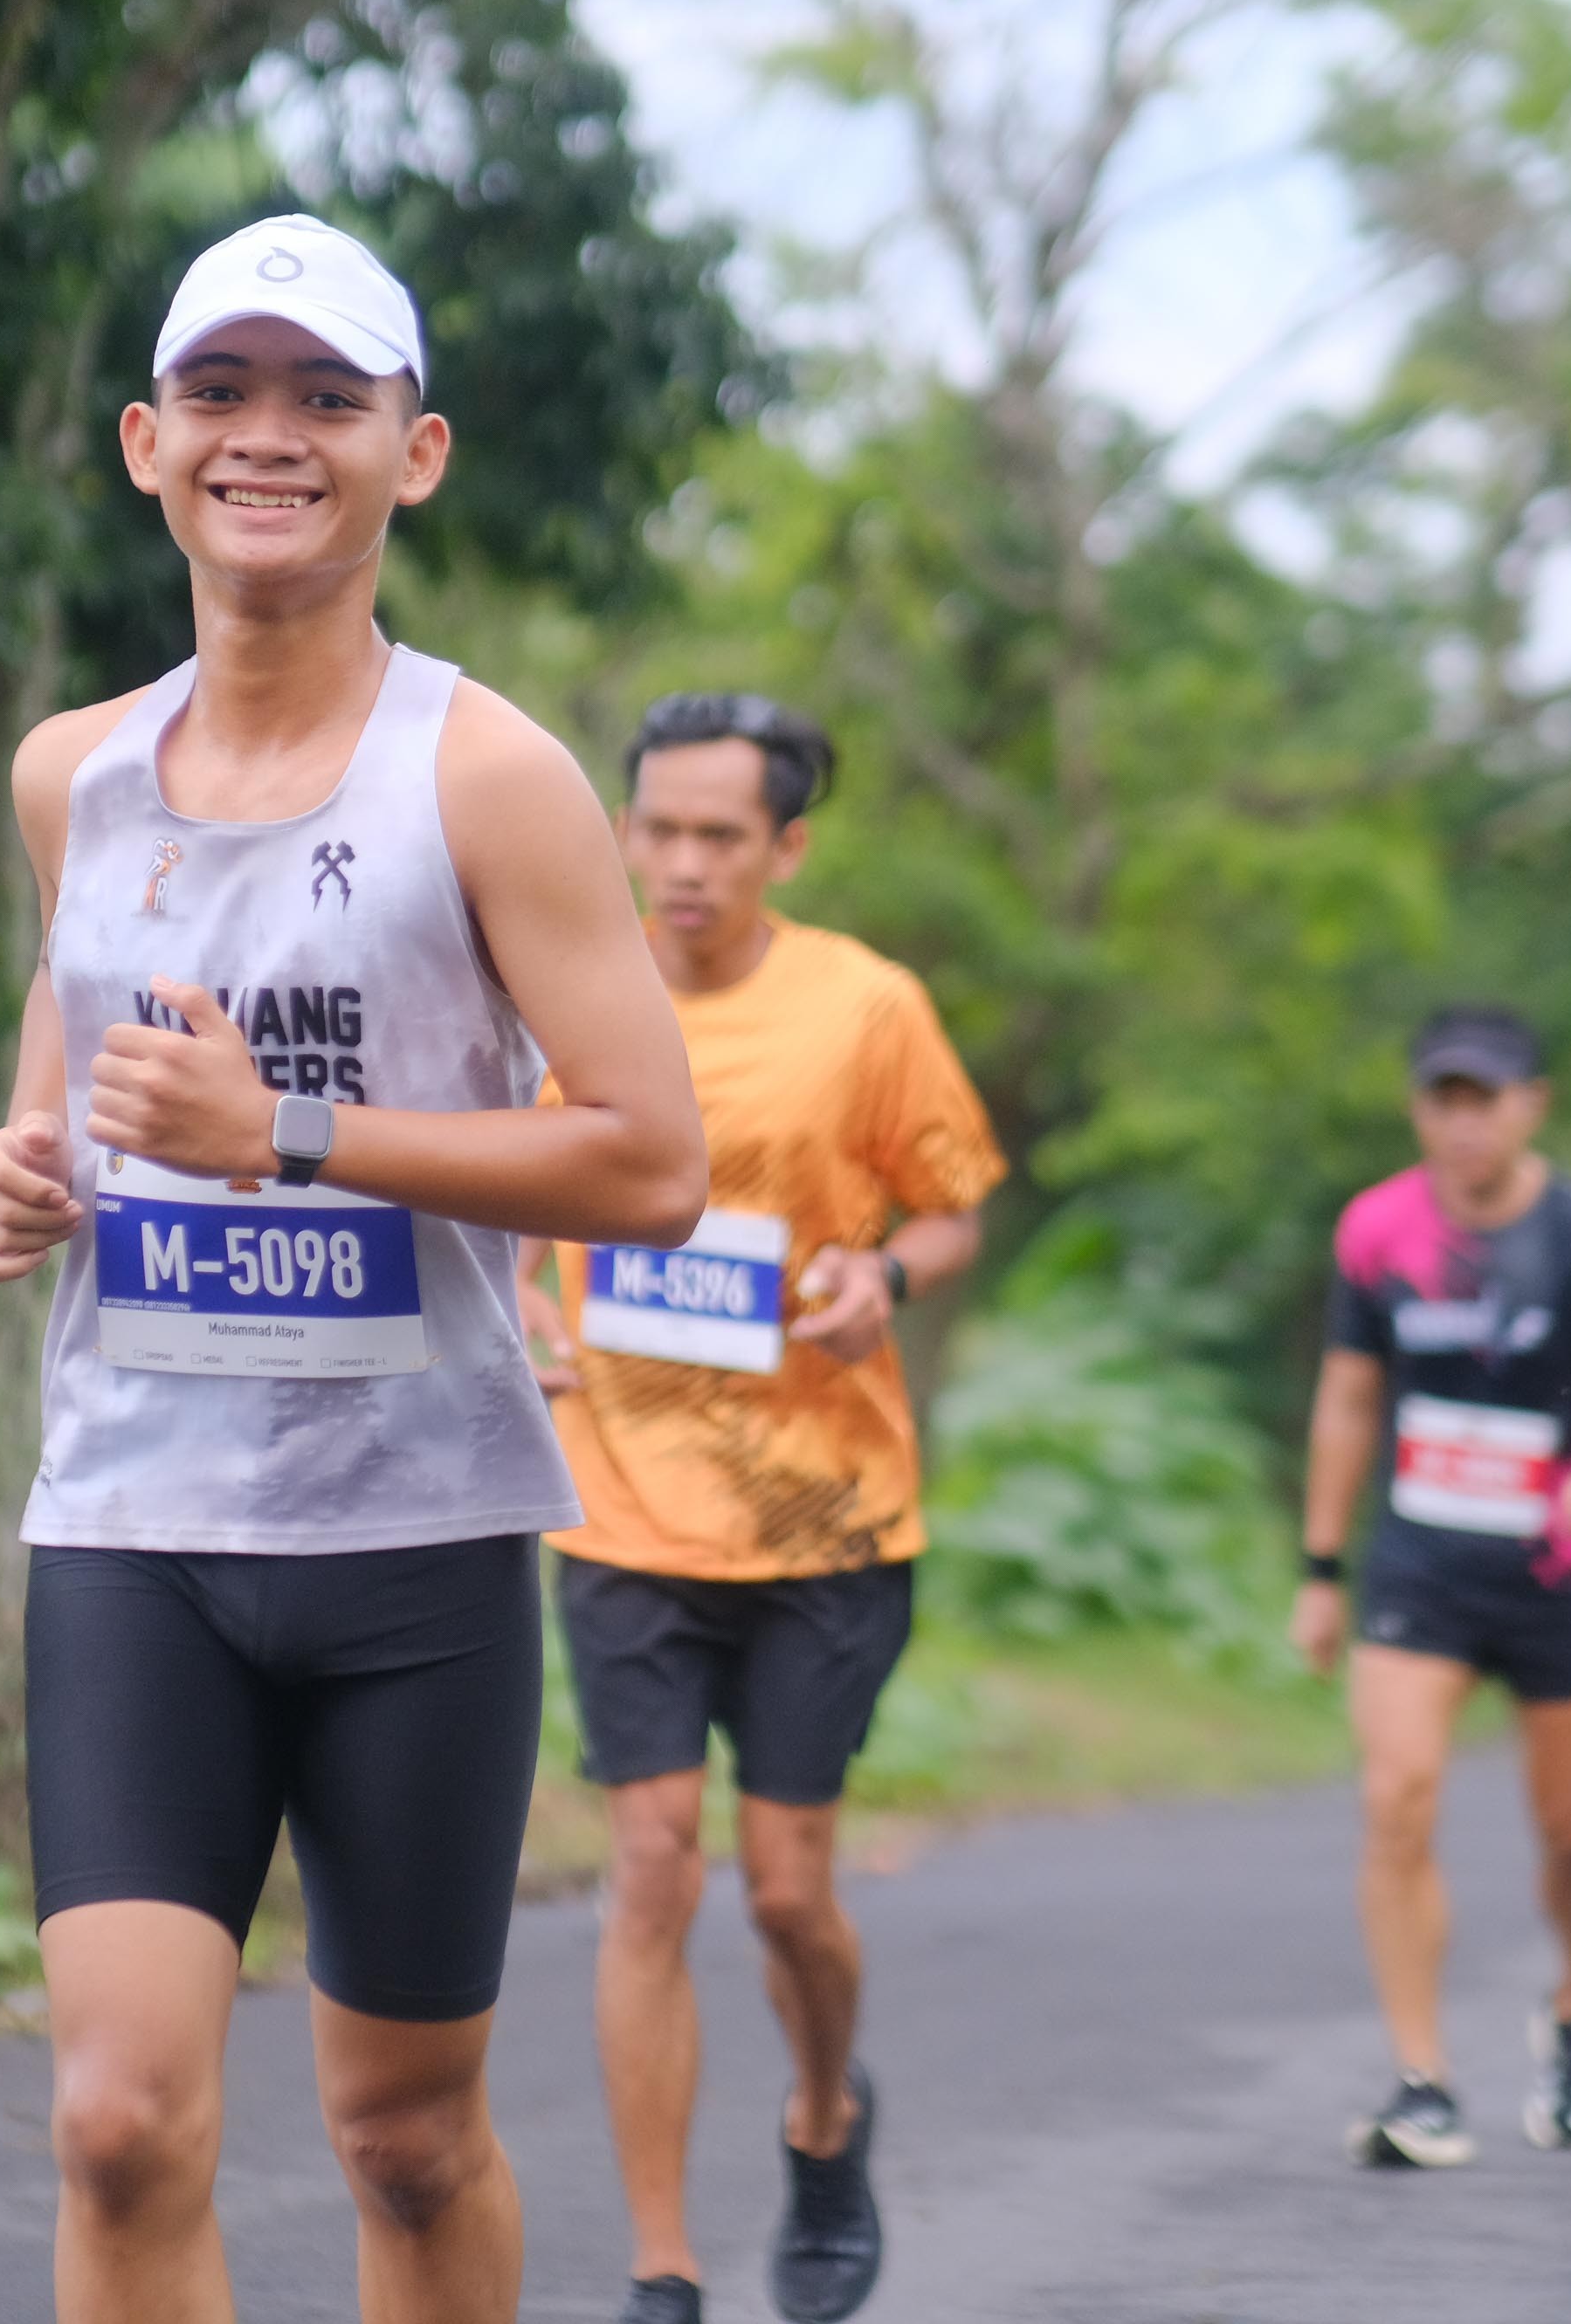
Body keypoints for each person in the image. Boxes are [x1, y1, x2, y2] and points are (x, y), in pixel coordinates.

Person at [0, 212, 709, 2324]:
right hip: (136, 1525)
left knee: (404, 2136)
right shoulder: (71, 774)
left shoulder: (491, 774)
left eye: (324, 398)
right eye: (218, 393)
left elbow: (653, 1159)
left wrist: (284, 1130)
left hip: (414, 1542)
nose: (264, 436)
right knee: (117, 2118)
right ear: (144, 443)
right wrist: (18, 1176)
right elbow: (73, 1079)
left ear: (415, 451)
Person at [514, 691, 1004, 2324]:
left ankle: (824, 2113)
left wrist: (885, 1278)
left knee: (789, 1890)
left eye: (720, 835)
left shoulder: (866, 1005)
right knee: (653, 1864)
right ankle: (662, 2263)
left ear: (786, 846)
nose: (683, 863)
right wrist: (519, 1303)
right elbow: (494, 1194)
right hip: (622, 1509)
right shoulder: (555, 989)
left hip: (823, 1518)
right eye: (658, 828)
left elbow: (949, 1209)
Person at [1290, 1004, 1571, 2169]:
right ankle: (1424, 2082)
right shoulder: (1378, 1230)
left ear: (1532, 1106)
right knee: (1397, 1798)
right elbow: (1350, 1398)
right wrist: (1320, 1568)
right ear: (1419, 1110)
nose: (1464, 1123)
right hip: (1423, 1565)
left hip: (1558, 1569)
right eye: (1443, 1100)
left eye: (1486, 1100)